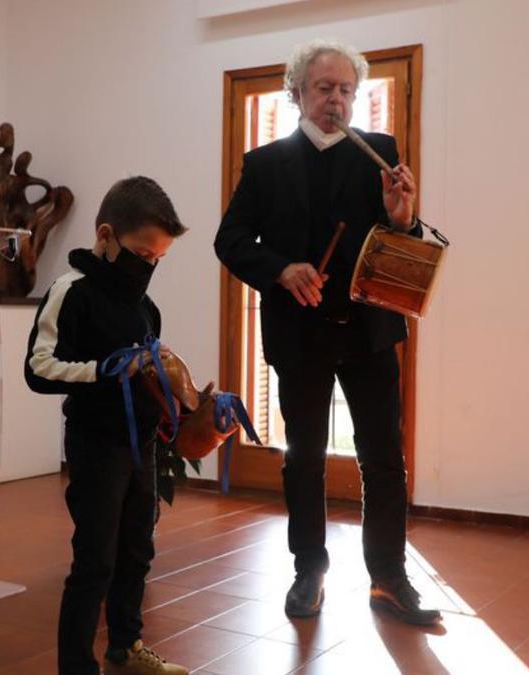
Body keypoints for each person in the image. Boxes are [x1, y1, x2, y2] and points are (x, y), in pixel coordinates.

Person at [213, 39, 441, 626]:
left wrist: (401, 218)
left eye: (345, 90)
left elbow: (404, 244)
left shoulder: (380, 154)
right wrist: (281, 270)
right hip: (301, 335)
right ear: (297, 93)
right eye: (324, 89)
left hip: (369, 332)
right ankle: (308, 570)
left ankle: (388, 578)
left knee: (384, 459)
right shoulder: (265, 165)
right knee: (305, 458)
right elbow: (230, 241)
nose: (335, 101)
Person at [26, 176, 190, 674]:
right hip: (96, 445)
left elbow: (147, 376)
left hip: (141, 446)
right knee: (95, 560)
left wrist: (178, 396)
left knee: (137, 549)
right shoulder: (70, 291)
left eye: (159, 259)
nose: (149, 267)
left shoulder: (145, 308)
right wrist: (104, 370)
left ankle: (126, 646)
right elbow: (38, 367)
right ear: (105, 235)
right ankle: (77, 666)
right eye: (143, 254)